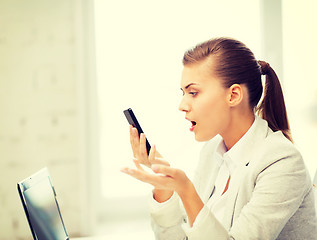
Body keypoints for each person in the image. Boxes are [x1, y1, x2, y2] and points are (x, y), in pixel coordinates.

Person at [121, 37, 317, 239]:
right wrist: (164, 188)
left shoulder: (282, 162)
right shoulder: (212, 152)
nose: (182, 105)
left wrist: (187, 191)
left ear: (233, 95)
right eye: (183, 93)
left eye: (193, 92)